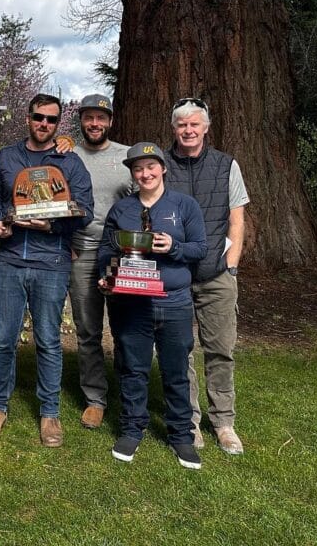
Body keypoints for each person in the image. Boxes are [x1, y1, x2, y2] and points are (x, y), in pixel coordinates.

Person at [0, 94, 93, 447]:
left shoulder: (69, 162)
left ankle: (49, 413)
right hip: (11, 260)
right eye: (38, 117)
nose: (44, 124)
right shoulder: (8, 157)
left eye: (51, 120)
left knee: (48, 340)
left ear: (58, 124)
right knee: (3, 339)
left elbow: (85, 210)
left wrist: (53, 228)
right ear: (28, 117)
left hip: (52, 262)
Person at [98, 142, 207, 469]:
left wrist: (173, 246)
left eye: (150, 167)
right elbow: (107, 249)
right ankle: (132, 429)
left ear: (162, 169)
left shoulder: (184, 206)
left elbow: (200, 249)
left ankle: (181, 436)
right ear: (132, 173)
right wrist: (107, 276)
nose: (144, 173)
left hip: (173, 301)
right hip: (132, 301)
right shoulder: (122, 210)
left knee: (176, 371)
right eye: (137, 169)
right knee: (134, 368)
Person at [166, 98, 250, 455]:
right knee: (179, 351)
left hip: (216, 275)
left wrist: (231, 265)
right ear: (174, 129)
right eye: (182, 125)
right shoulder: (162, 165)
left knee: (220, 350)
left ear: (206, 128)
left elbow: (237, 217)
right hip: (175, 274)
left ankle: (224, 422)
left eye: (194, 124)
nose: (188, 130)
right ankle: (189, 420)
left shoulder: (226, 164)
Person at [68, 94, 132, 430]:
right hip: (81, 251)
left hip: (118, 253)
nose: (95, 124)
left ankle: (128, 393)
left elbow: (143, 205)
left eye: (101, 118)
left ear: (110, 121)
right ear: (81, 121)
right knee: (88, 329)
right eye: (89, 118)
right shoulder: (68, 156)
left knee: (124, 327)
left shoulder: (127, 156)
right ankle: (95, 398)